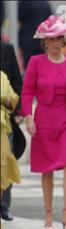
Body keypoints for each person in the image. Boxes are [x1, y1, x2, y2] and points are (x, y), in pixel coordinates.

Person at [21, 15, 66, 229]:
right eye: (51, 39)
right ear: (44, 41)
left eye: (59, 38)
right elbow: (27, 92)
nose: (55, 43)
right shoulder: (35, 62)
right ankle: (48, 214)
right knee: (48, 169)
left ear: (64, 40)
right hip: (44, 119)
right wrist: (28, 116)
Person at [1, 42, 25, 222]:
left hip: (5, 118)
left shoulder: (6, 49)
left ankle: (4, 205)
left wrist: (18, 112)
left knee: (5, 162)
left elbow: (17, 81)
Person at [1, 71, 21, 216]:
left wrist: (6, 100)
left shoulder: (2, 76)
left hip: (3, 128)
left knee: (2, 170)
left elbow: (12, 99)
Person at [18, 0, 52, 69]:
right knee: (40, 64)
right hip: (41, 39)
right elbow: (49, 19)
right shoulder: (45, 3)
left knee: (29, 65)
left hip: (27, 38)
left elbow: (19, 16)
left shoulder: (25, 2)